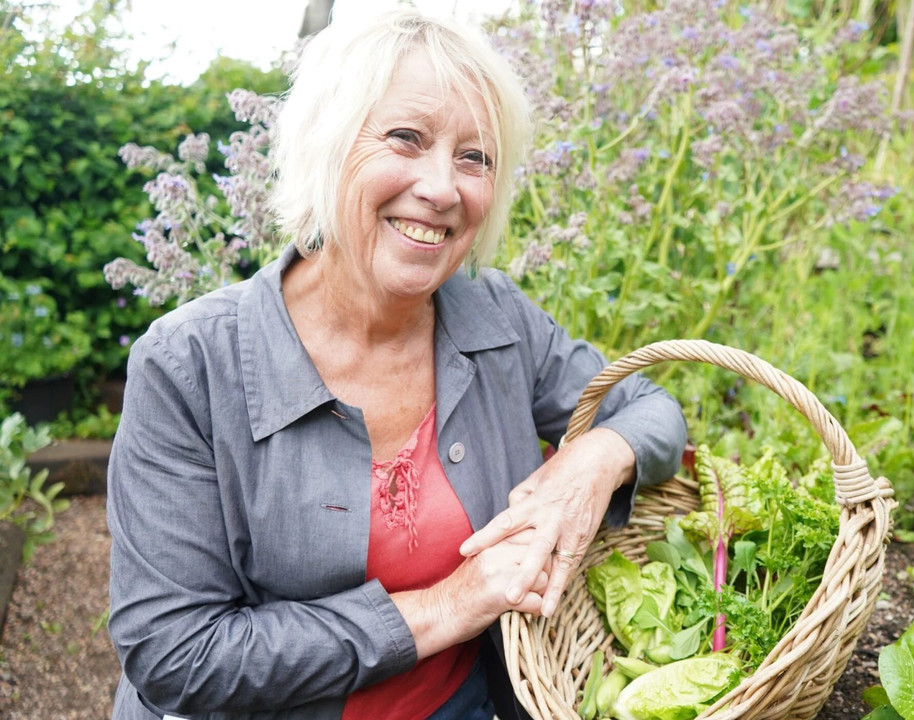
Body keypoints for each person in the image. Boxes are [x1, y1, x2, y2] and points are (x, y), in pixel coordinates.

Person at [105, 9, 687, 720]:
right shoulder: (189, 365)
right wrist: (452, 603)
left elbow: (655, 411)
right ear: (328, 144)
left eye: (475, 157)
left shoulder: (494, 317)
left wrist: (594, 459)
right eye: (406, 139)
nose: (443, 188)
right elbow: (178, 655)